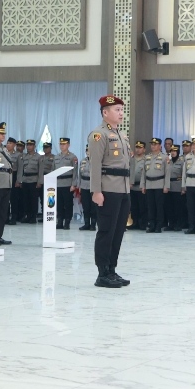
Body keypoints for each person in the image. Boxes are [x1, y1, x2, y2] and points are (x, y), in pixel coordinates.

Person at [88, 95, 133, 289]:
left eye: (122, 110)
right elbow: (95, 165)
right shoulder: (99, 135)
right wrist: (96, 191)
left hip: (123, 189)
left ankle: (112, 269)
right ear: (105, 113)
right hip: (107, 189)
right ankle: (102, 273)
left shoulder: (121, 135)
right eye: (117, 110)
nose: (121, 113)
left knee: (118, 232)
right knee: (106, 231)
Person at [141, 137, 167, 233]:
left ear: (160, 146)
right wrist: (143, 185)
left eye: (155, 144)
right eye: (152, 144)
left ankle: (158, 225)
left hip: (159, 184)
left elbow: (167, 173)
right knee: (150, 206)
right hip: (149, 184)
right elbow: (144, 172)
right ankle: (151, 224)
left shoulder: (164, 157)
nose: (153, 146)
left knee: (159, 206)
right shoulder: (147, 157)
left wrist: (166, 186)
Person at [52, 137, 78, 229]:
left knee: (68, 204)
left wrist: (73, 184)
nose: (62, 146)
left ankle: (67, 222)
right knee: (59, 204)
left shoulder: (72, 157)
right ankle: (59, 221)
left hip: (68, 183)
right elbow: (53, 170)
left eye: (64, 144)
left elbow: (75, 172)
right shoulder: (56, 157)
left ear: (68, 145)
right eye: (61, 144)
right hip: (58, 183)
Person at [16, 140, 41, 223]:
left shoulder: (38, 157)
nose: (29, 147)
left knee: (33, 199)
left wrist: (39, 181)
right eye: (28, 145)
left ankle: (33, 217)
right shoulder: (23, 157)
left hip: (34, 179)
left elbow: (40, 170)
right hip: (25, 179)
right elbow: (20, 169)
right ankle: (28, 215)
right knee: (25, 199)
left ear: (34, 146)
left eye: (31, 145)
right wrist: (19, 180)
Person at [165, 144, 184, 230]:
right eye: (171, 151)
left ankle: (178, 224)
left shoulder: (181, 161)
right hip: (169, 185)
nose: (173, 153)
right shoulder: (168, 161)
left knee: (178, 207)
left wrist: (183, 187)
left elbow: (184, 175)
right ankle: (171, 224)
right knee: (169, 207)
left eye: (175, 151)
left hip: (177, 185)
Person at [78, 145, 96, 231]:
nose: (88, 152)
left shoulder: (97, 161)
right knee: (86, 206)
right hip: (84, 185)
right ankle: (86, 224)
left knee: (93, 207)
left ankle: (93, 224)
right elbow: (80, 175)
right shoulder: (83, 161)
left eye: (90, 150)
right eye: (87, 150)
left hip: (93, 186)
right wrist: (79, 186)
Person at [130, 141, 146, 230]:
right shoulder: (131, 159)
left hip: (141, 186)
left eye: (140, 148)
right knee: (133, 206)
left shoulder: (146, 159)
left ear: (144, 149)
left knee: (142, 206)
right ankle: (134, 222)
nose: (138, 149)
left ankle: (142, 223)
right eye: (137, 147)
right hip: (132, 186)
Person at [6, 137, 22, 226]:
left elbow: (20, 168)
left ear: (14, 145)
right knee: (6, 198)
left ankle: (14, 218)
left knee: (14, 199)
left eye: (10, 143)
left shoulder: (18, 155)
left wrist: (18, 180)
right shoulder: (3, 153)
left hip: (14, 176)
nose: (8, 145)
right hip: (5, 176)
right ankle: (6, 216)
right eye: (7, 143)